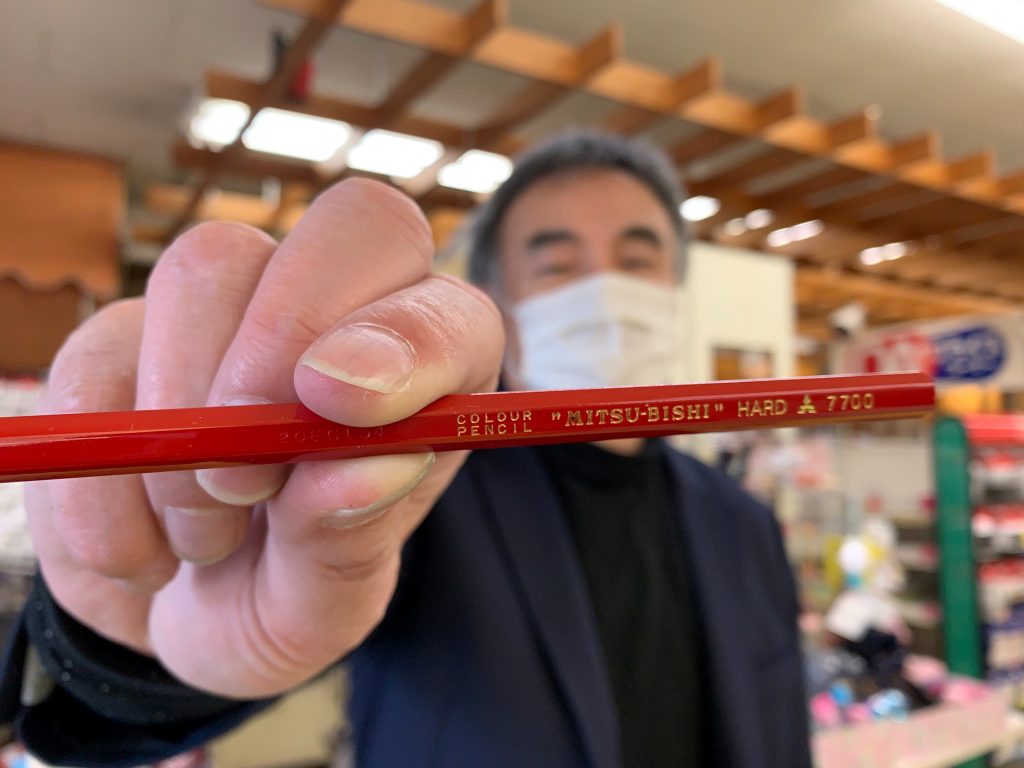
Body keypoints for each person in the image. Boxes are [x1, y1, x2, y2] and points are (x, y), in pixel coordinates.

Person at [0, 132, 811, 767]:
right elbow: (130, 705)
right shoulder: (417, 482)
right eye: (558, 263)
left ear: (675, 288)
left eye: (637, 261)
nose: (605, 290)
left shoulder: (743, 524)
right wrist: (137, 647)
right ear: (501, 300)